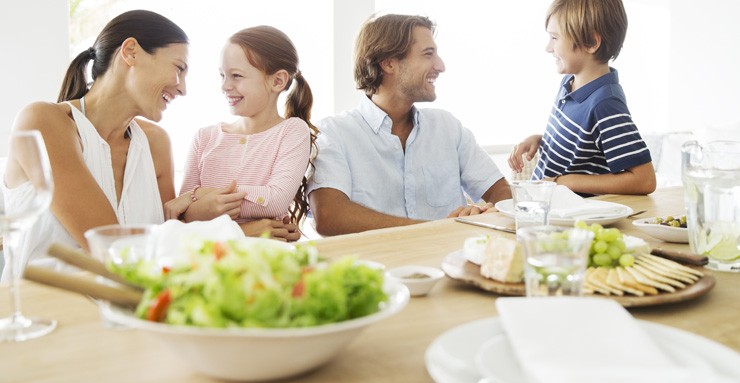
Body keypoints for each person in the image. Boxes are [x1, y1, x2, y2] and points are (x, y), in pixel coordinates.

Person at [2, 10, 188, 277]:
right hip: (48, 313)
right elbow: (110, 246)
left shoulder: (156, 143)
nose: (183, 88)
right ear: (131, 51)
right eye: (179, 68)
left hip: (127, 312)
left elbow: (165, 243)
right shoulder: (44, 121)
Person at [307, 14, 511, 236]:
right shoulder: (333, 133)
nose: (440, 66)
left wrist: (490, 212)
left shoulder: (447, 127)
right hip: (376, 267)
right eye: (428, 54)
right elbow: (328, 216)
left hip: (448, 263)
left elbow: (501, 191)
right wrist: (436, 230)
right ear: (389, 63)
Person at [164, 26, 317, 242]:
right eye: (222, 75)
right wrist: (242, 228)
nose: (225, 86)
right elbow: (182, 217)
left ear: (277, 81)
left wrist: (200, 197)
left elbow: (275, 200)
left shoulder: (292, 131)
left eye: (236, 76)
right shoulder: (204, 138)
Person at [508, 0, 656, 196]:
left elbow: (644, 181)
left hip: (575, 220)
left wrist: (566, 182)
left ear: (591, 43)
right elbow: (584, 146)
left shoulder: (606, 104)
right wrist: (541, 140)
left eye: (554, 38)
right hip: (545, 208)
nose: (548, 48)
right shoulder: (569, 83)